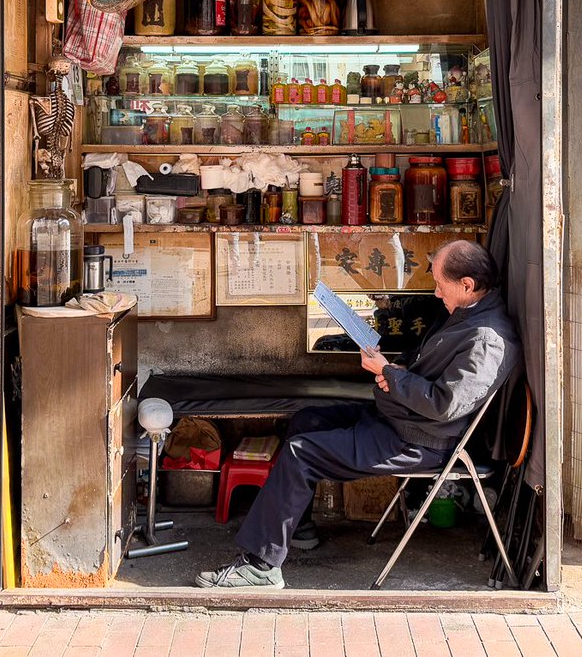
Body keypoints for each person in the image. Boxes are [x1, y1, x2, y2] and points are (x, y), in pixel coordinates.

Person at [195, 239, 521, 589]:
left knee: (299, 455)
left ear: (467, 285)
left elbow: (444, 405)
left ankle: (261, 566)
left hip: (417, 440)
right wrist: (392, 370)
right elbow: (430, 372)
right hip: (398, 419)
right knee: (306, 420)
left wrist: (392, 375)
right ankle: (296, 526)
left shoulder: (487, 339)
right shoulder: (468, 313)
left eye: (440, 285)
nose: (437, 293)